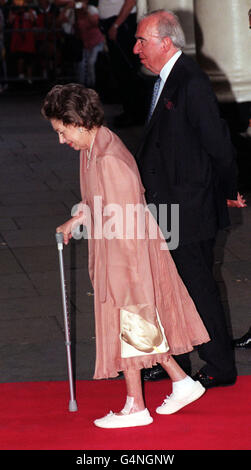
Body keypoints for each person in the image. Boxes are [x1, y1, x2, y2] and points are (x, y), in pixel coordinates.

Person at [41, 83, 210, 428]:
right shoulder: (92, 148)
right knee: (133, 322)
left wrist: (123, 279)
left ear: (78, 122)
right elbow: (102, 204)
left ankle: (136, 407)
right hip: (121, 248)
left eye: (62, 131)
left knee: (130, 320)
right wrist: (79, 217)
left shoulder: (108, 160)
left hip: (127, 253)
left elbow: (126, 225)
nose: (61, 140)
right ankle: (181, 382)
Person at [133, 10, 246, 388]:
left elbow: (219, 144)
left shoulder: (190, 81)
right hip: (166, 204)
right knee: (168, 285)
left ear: (165, 43)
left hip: (188, 208)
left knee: (198, 287)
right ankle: (172, 360)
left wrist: (229, 191)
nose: (136, 49)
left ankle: (219, 366)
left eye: (142, 42)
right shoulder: (167, 79)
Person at [98, 0, 146, 127]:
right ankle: (128, 111)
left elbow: (130, 2)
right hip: (113, 23)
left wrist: (116, 25)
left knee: (128, 69)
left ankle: (136, 114)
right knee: (120, 71)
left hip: (121, 24)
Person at [75, 1, 104, 88]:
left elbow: (96, 23)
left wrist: (86, 11)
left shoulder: (92, 9)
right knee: (82, 66)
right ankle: (83, 88)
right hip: (85, 43)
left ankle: (95, 87)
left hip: (96, 42)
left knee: (92, 63)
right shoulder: (76, 11)